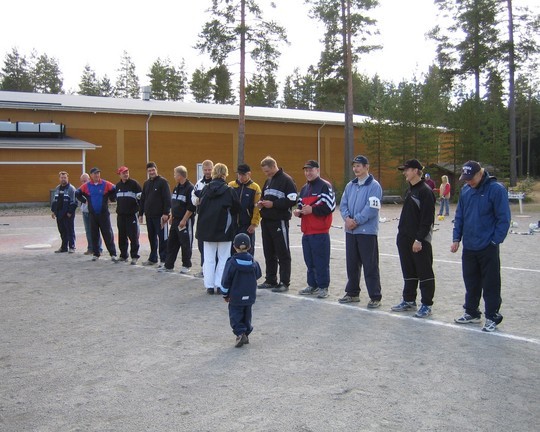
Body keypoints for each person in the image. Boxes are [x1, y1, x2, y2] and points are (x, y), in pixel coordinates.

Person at [451, 161, 511, 332]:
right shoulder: (466, 191)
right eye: (465, 178)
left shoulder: (496, 190)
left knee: (491, 283)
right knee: (471, 281)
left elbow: (504, 218)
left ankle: (492, 316)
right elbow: (460, 216)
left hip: (488, 246)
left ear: (480, 173)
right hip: (469, 246)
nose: (468, 181)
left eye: (471, 178)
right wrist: (456, 238)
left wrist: (495, 241)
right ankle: (471, 312)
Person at [391, 159, 436, 318]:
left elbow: (427, 219)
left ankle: (427, 304)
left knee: (424, 272)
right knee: (408, 270)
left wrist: (419, 239)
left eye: (407, 170)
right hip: (405, 238)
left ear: (416, 171)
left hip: (419, 240)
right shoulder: (410, 191)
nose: (404, 172)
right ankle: (409, 300)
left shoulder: (425, 191)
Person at [338, 155, 383, 308]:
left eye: (358, 166)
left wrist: (356, 221)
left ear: (366, 167)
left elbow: (372, 208)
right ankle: (352, 293)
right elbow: (343, 205)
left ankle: (375, 296)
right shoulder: (350, 186)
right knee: (352, 264)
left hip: (366, 232)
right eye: (354, 166)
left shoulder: (374, 186)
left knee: (370, 265)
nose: (355, 169)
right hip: (351, 232)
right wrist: (347, 219)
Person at [195, 163, 240, 295]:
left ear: (213, 173)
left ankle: (209, 285)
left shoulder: (205, 189)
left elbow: (199, 208)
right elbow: (237, 208)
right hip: (224, 229)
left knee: (208, 258)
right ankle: (220, 284)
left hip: (206, 229)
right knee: (224, 258)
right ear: (225, 174)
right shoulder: (229, 190)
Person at [295, 160, 336, 299]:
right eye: (306, 170)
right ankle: (312, 284)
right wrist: (299, 212)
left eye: (311, 170)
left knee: (321, 261)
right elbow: (301, 206)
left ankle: (323, 287)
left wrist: (312, 210)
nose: (308, 173)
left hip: (320, 231)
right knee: (309, 261)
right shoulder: (304, 188)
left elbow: (330, 206)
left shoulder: (325, 186)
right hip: (306, 231)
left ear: (317, 170)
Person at [256, 156, 298, 293]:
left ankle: (284, 282)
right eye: (264, 171)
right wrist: (261, 203)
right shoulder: (268, 180)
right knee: (268, 252)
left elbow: (292, 200)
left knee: (282, 252)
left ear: (274, 166)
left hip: (279, 221)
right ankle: (270, 279)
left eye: (267, 171)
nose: (266, 174)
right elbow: (264, 196)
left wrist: (274, 204)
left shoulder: (287, 180)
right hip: (266, 220)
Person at [221, 233, 262, 348]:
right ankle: (246, 332)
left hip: (236, 296)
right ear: (249, 247)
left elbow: (225, 280)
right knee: (247, 315)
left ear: (234, 246)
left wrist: (225, 294)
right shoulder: (254, 262)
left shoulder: (231, 262)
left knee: (235, 315)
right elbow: (258, 274)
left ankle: (240, 333)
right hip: (250, 295)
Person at [159, 165, 196, 274]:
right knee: (171, 243)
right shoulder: (176, 187)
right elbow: (174, 203)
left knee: (185, 244)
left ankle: (186, 265)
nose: (174, 176)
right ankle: (169, 265)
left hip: (185, 221)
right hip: (175, 220)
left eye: (175, 174)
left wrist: (184, 220)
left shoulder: (190, 188)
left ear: (180, 176)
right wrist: (171, 216)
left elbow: (191, 207)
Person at [75, 167, 118, 261]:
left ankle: (113, 253)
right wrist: (84, 200)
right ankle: (96, 253)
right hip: (92, 214)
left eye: (98, 173)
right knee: (94, 234)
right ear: (91, 175)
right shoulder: (87, 185)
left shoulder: (105, 184)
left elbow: (115, 189)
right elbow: (77, 193)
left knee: (108, 234)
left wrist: (112, 198)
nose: (97, 175)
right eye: (95, 173)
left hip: (104, 214)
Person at [139, 162, 171, 267]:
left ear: (156, 170)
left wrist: (166, 213)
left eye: (153, 170)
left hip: (160, 217)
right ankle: (153, 258)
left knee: (163, 238)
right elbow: (143, 199)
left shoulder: (163, 182)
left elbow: (167, 198)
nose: (151, 172)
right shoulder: (146, 183)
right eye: (149, 170)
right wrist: (140, 213)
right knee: (151, 238)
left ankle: (164, 260)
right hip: (149, 216)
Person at [228, 163, 261, 256]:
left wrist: (254, 223)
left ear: (249, 174)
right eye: (239, 174)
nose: (241, 177)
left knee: (247, 250)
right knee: (231, 250)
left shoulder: (255, 187)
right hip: (232, 224)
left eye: (243, 175)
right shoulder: (231, 185)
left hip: (247, 225)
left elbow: (257, 207)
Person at [115, 166, 142, 265]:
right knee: (122, 236)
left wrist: (140, 213)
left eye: (127, 172)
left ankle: (134, 256)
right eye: (123, 173)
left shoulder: (134, 184)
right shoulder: (117, 186)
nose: (126, 174)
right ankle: (123, 255)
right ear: (119, 174)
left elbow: (140, 199)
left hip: (131, 215)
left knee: (133, 236)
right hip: (121, 215)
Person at [191, 160, 214, 277]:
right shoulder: (199, 183)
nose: (207, 172)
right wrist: (197, 200)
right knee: (201, 244)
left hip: (213, 218)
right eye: (205, 170)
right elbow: (193, 196)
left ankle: (212, 269)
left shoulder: (217, 182)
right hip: (201, 216)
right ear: (202, 170)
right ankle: (204, 268)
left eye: (209, 170)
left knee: (212, 245)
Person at [51, 171, 77, 253]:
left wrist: (70, 212)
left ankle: (72, 247)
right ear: (59, 178)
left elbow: (74, 202)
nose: (63, 179)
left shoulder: (71, 189)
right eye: (62, 178)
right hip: (59, 213)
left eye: (65, 177)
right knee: (62, 231)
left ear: (67, 178)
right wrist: (53, 211)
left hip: (68, 214)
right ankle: (64, 247)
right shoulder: (57, 188)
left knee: (70, 230)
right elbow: (55, 201)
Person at [79, 173, 102, 255]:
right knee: (88, 231)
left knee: (95, 231)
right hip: (85, 212)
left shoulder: (93, 187)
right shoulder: (81, 189)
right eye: (82, 181)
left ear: (89, 179)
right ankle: (90, 248)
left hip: (93, 212)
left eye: (85, 180)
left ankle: (99, 248)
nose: (84, 182)